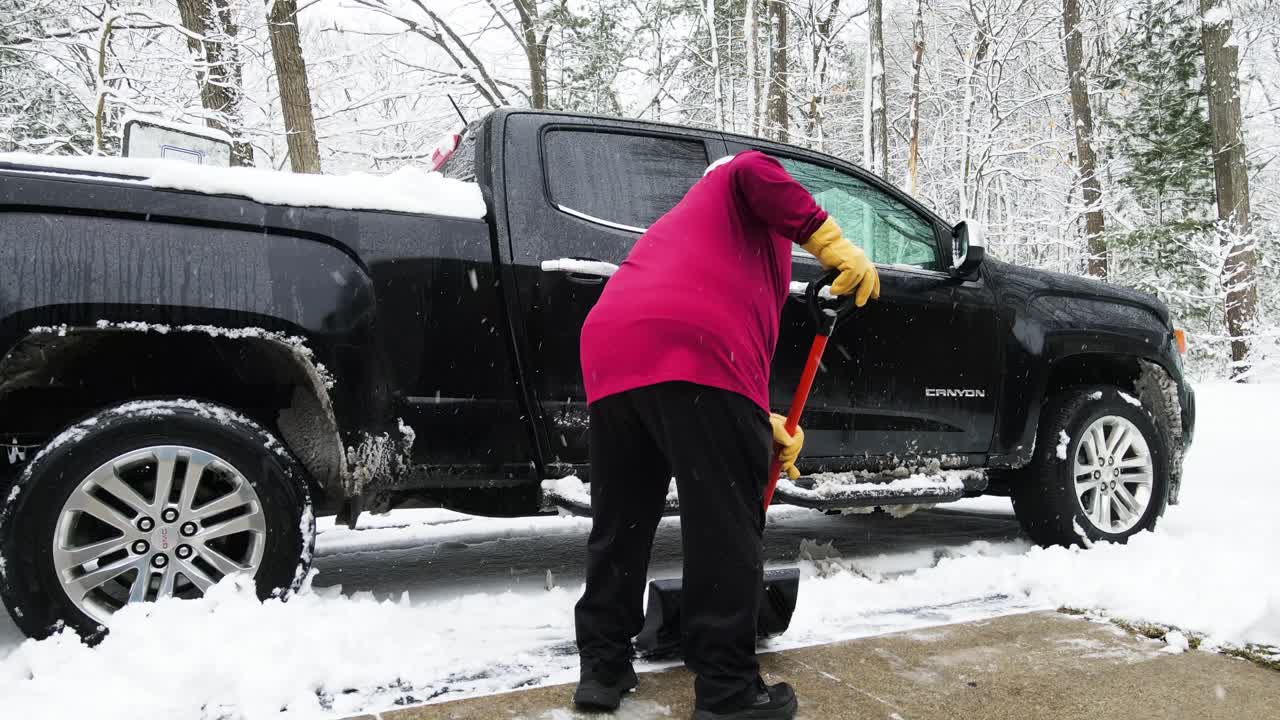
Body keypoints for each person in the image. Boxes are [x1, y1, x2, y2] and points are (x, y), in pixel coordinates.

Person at [572, 151, 880, 719]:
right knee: (723, 525)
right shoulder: (738, 178)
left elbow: (710, 366)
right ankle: (727, 691)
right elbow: (752, 171)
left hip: (612, 351)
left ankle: (603, 665)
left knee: (622, 521)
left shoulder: (690, 228)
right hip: (696, 347)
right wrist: (833, 244)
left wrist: (761, 425)